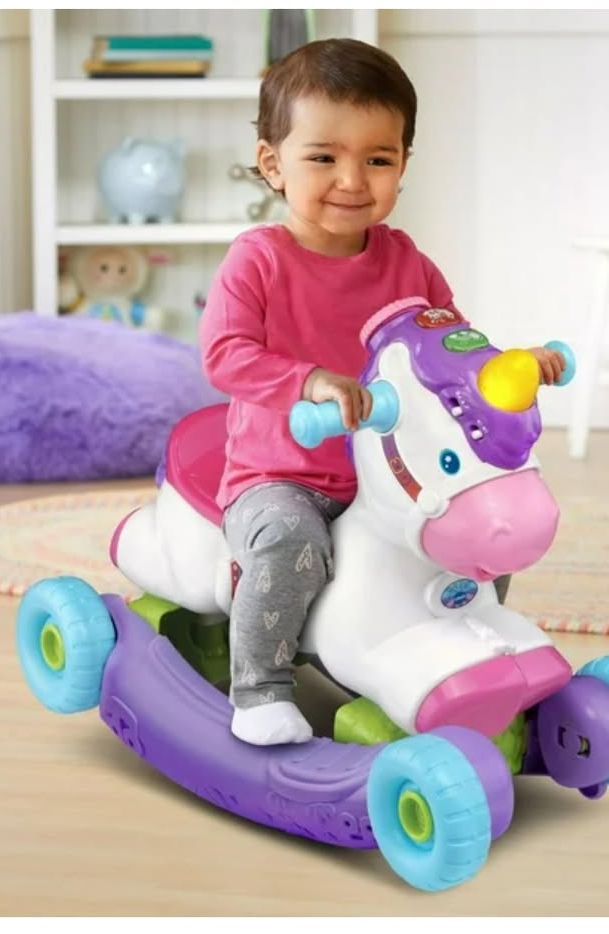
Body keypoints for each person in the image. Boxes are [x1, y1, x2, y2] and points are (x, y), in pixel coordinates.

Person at [199, 37, 565, 746]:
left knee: (475, 532)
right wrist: (307, 379)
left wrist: (512, 366)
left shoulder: (407, 262)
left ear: (403, 165)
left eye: (378, 158)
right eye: (323, 157)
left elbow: (454, 347)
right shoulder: (259, 261)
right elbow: (224, 354)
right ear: (274, 164)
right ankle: (262, 687)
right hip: (287, 473)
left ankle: (467, 649)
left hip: (395, 476)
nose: (351, 179)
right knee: (290, 542)